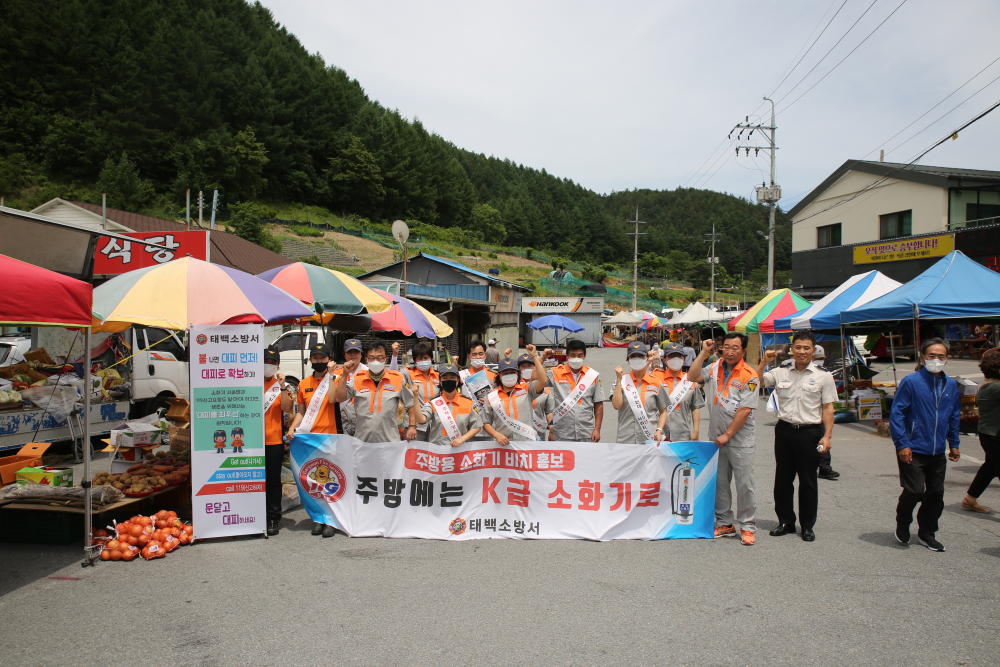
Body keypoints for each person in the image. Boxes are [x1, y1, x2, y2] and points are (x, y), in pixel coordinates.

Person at [757, 332, 837, 542]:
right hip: (784, 431)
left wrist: (827, 436)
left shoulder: (823, 376)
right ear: (791, 349)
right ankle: (786, 521)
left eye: (806, 348)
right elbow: (756, 381)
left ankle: (807, 525)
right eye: (798, 347)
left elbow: (828, 408)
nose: (802, 351)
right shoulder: (780, 371)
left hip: (810, 432)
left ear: (814, 350)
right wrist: (765, 361)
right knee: (783, 479)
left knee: (808, 481)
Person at [889, 337, 961, 552]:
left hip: (937, 450)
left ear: (947, 359)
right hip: (913, 447)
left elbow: (954, 415)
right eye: (932, 356)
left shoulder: (951, 385)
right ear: (923, 357)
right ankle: (903, 522)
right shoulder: (911, 382)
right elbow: (897, 413)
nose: (936, 360)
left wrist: (954, 443)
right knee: (914, 491)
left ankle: (927, 533)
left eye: (941, 356)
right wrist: (902, 444)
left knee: (935, 493)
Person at [688, 333, 760, 545]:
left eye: (735, 348)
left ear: (744, 351)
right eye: (726, 347)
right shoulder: (715, 367)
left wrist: (728, 434)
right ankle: (725, 522)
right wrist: (703, 352)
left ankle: (747, 525)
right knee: (720, 482)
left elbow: (745, 409)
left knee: (744, 483)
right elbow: (692, 377)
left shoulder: (750, 375)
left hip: (739, 438)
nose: (729, 351)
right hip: (716, 437)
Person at [288, 343, 341, 538]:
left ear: (329, 358)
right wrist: (293, 427)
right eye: (315, 358)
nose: (319, 361)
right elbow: (301, 412)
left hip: (330, 437)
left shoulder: (334, 378)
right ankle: (318, 518)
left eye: (322, 358)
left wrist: (333, 375)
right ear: (310, 360)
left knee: (330, 480)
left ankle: (331, 520)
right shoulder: (303, 384)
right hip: (309, 439)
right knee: (313, 480)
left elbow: (334, 400)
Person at [334, 342, 413, 443]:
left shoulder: (397, 379)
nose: (375, 361)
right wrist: (345, 375)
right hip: (362, 441)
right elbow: (339, 398)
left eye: (380, 358)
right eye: (371, 358)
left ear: (386, 360)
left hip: (389, 441)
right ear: (366, 360)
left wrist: (412, 426)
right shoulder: (358, 378)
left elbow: (411, 404)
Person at [481, 346, 548, 444]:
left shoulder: (526, 389)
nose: (509, 375)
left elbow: (543, 380)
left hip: (526, 443)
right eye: (505, 373)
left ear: (518, 374)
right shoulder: (491, 396)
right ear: (499, 375)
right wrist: (497, 435)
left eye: (512, 372)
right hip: (503, 446)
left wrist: (534, 356)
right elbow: (485, 422)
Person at [542, 339, 605, 442]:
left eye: (580, 355)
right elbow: (536, 379)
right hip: (562, 434)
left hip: (586, 433)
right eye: (573, 355)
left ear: (584, 356)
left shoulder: (592, 376)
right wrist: (541, 358)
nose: (576, 358)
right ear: (567, 356)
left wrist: (597, 429)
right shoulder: (556, 372)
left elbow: (598, 403)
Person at [963, 348, 1000, 513]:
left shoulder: (991, 385)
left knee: (990, 468)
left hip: (991, 434)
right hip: (994, 437)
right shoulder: (994, 387)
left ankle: (970, 499)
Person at [263, 346, 294, 536]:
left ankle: (273, 517)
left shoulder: (284, 386)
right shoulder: (249, 383)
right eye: (266, 362)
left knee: (274, 481)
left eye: (273, 363)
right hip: (249, 442)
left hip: (273, 440)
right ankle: (253, 515)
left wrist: (282, 386)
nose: (269, 366)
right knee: (254, 480)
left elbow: (287, 408)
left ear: (278, 365)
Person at [611, 342, 668, 445]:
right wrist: (619, 380)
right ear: (628, 360)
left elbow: (663, 410)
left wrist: (659, 430)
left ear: (647, 358)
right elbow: (616, 405)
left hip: (650, 439)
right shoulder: (621, 380)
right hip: (625, 439)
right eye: (633, 356)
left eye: (641, 356)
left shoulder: (655, 382)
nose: (637, 359)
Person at [414, 364, 482, 447]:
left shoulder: (469, 403)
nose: (449, 380)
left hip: (460, 451)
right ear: (440, 381)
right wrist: (415, 397)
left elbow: (477, 426)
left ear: (458, 380)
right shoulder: (434, 403)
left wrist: (462, 439)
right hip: (437, 452)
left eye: (452, 378)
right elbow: (421, 420)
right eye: (445, 378)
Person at [655, 343, 704, 442]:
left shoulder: (690, 380)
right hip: (659, 433)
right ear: (665, 359)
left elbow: (695, 407)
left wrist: (696, 431)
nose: (675, 359)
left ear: (683, 359)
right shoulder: (656, 378)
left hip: (682, 432)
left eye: (678, 356)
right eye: (671, 356)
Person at [403, 341, 439, 442]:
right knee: (414, 455)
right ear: (415, 361)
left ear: (431, 359)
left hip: (434, 424)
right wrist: (412, 425)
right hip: (415, 426)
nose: (423, 361)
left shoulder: (438, 375)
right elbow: (394, 376)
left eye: (426, 358)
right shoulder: (408, 373)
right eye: (419, 358)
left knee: (432, 456)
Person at [334, 339, 367, 437]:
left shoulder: (368, 372)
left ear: (361, 354)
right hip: (341, 420)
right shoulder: (336, 373)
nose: (353, 355)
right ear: (344, 354)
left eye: (356, 352)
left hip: (362, 420)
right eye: (349, 352)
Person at [517, 352, 554, 440]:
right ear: (518, 369)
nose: (527, 369)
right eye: (523, 366)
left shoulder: (545, 388)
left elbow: (549, 412)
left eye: (530, 366)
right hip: (519, 433)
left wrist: (552, 430)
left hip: (538, 433)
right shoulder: (514, 387)